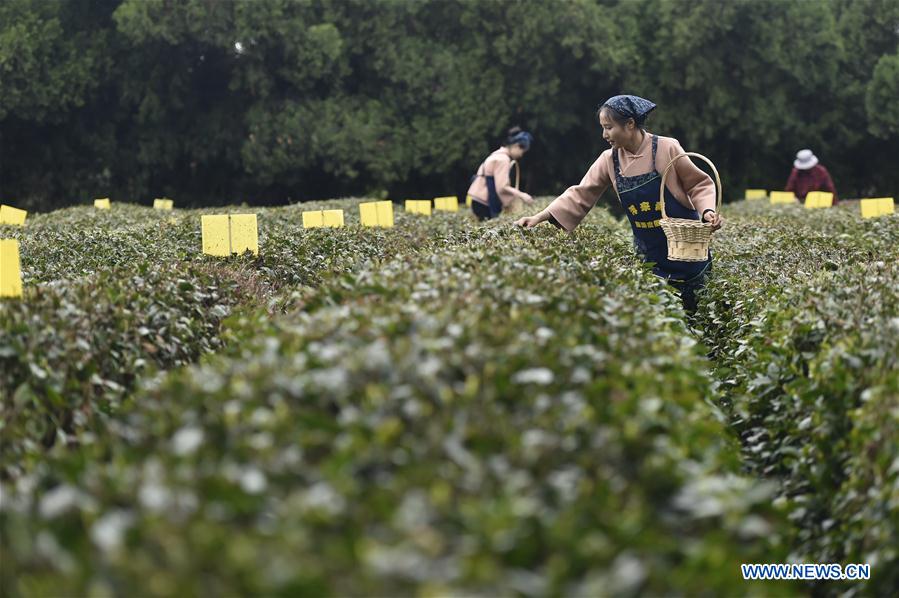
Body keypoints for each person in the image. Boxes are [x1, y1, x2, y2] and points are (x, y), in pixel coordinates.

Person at [514, 95, 723, 314]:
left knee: (699, 319)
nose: (604, 135)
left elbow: (698, 184)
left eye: (609, 127)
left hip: (685, 252)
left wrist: (707, 212)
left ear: (630, 124)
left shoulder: (666, 148)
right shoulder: (609, 160)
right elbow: (580, 193)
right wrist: (539, 217)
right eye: (603, 128)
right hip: (649, 257)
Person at [467, 127, 535, 221]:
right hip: (484, 204)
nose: (521, 155)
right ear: (516, 145)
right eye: (522, 151)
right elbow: (502, 187)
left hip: (478, 201)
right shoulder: (503, 159)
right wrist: (522, 195)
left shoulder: (496, 154)